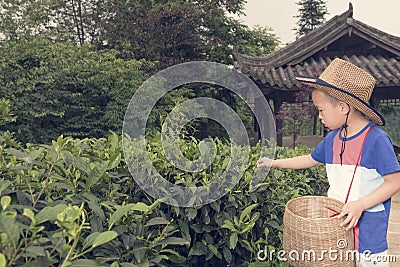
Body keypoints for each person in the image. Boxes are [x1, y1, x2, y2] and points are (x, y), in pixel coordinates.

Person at [257, 58, 400, 267]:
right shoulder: (333, 139)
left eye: (321, 110)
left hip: (368, 232)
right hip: (336, 227)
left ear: (343, 107)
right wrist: (275, 163)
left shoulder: (376, 140)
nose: (319, 116)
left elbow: (395, 181)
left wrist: (360, 205)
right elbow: (309, 159)